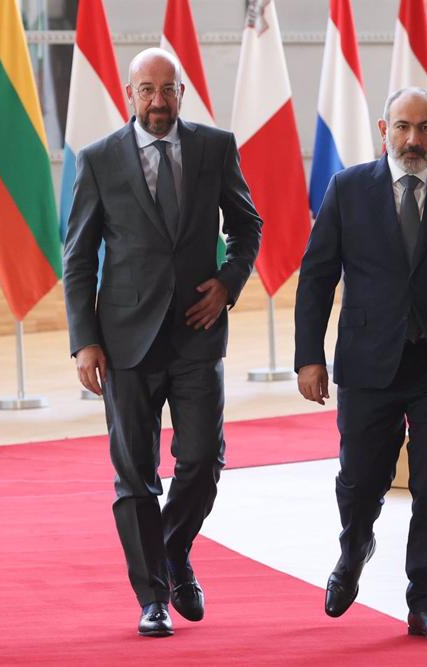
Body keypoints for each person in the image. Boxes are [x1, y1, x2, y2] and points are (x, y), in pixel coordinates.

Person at [294, 87, 427, 641]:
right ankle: (355, 545)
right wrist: (308, 358)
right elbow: (318, 276)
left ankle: (424, 601)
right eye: (402, 127)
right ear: (382, 129)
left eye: (424, 128)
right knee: (360, 479)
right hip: (369, 363)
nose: (413, 139)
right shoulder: (347, 190)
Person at [63, 48, 262, 637]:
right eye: (145, 90)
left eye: (166, 90)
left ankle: (173, 550)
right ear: (130, 95)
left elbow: (247, 224)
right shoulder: (99, 160)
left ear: (182, 92)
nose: (156, 101)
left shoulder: (213, 147)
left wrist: (227, 284)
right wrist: (84, 341)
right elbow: (77, 258)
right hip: (124, 342)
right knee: (135, 474)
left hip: (198, 333)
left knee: (202, 462)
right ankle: (152, 596)